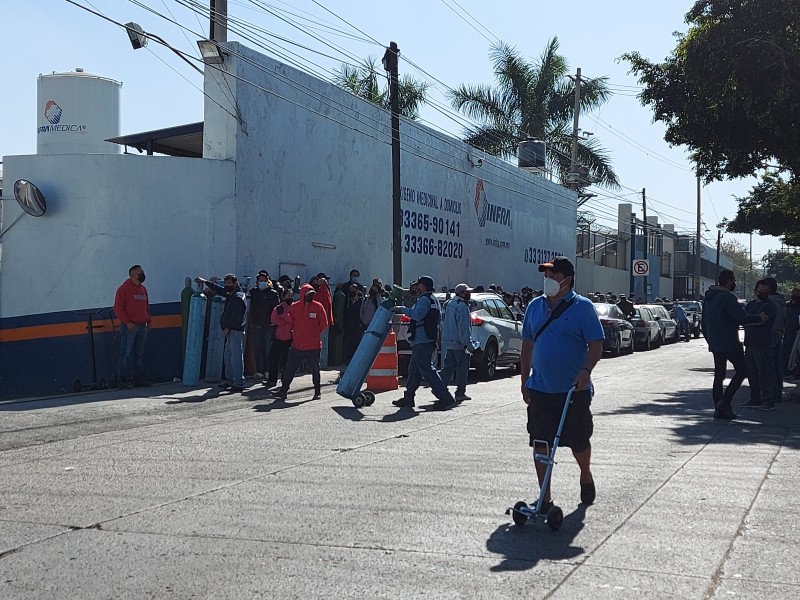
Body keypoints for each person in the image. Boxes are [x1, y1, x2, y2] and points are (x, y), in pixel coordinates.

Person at [521, 257, 604, 511]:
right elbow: (527, 344)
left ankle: (586, 474)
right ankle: (544, 497)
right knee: (541, 442)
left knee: (578, 441)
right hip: (541, 388)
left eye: (552, 275)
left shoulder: (583, 307)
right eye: (545, 275)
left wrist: (586, 371)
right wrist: (525, 380)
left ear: (567, 279)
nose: (547, 280)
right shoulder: (535, 306)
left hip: (572, 390)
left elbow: (596, 344)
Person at [702, 270, 768, 419]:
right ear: (729, 281)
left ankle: (719, 407)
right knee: (743, 370)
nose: (734, 283)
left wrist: (710, 339)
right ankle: (724, 402)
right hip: (729, 342)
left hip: (715, 343)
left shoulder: (709, 298)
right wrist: (759, 318)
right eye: (733, 280)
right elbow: (741, 317)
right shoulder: (727, 297)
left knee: (719, 375)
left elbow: (703, 323)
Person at [391, 276, 457, 410]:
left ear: (423, 286)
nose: (417, 287)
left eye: (419, 285)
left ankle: (445, 397)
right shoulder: (433, 300)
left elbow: (418, 315)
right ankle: (408, 398)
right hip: (427, 338)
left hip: (422, 339)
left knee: (427, 369)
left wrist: (403, 309)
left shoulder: (423, 300)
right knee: (414, 370)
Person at [274, 283, 329, 401]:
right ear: (303, 295)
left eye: (312, 294)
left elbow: (324, 323)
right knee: (290, 368)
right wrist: (293, 333)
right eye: (309, 294)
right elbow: (291, 321)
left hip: (313, 345)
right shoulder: (295, 307)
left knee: (315, 369)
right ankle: (283, 391)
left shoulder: (318, 306)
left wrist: (315, 334)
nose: (311, 297)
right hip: (297, 345)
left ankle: (317, 391)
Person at [196, 274, 248, 393]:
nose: (227, 286)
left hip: (235, 331)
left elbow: (236, 316)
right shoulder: (232, 294)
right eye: (226, 284)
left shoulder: (238, 297)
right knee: (228, 356)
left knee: (235, 357)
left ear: (235, 283)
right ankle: (230, 380)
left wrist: (227, 327)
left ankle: (239, 383)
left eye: (229, 283)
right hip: (231, 331)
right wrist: (205, 281)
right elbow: (219, 289)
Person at [741, 280, 778, 411]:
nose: (763, 293)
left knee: (764, 372)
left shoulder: (770, 306)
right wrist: (754, 319)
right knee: (752, 372)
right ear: (755, 290)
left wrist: (751, 320)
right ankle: (755, 398)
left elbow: (762, 321)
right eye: (761, 290)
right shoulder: (750, 305)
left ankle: (768, 400)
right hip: (749, 343)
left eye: (766, 291)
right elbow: (743, 321)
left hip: (763, 344)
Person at [114, 264, 152, 389]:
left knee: (139, 354)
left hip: (142, 326)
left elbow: (146, 306)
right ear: (132, 275)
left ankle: (139, 378)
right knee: (126, 352)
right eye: (139, 272)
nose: (142, 274)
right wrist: (127, 322)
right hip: (130, 327)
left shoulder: (143, 289)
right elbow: (118, 308)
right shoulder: (123, 289)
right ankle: (121, 379)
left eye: (142, 271)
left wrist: (149, 321)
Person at [438, 283, 475, 403]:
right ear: (461, 293)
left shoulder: (449, 303)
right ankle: (460, 393)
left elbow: (443, 323)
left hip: (448, 342)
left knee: (448, 368)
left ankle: (439, 387)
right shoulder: (462, 307)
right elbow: (464, 329)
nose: (469, 294)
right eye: (467, 292)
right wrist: (469, 345)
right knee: (462, 368)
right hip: (459, 344)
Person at [249, 270, 280, 382]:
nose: (262, 282)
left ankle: (268, 371)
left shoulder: (273, 293)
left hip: (268, 326)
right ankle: (259, 371)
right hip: (256, 325)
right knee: (258, 349)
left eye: (264, 280)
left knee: (268, 350)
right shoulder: (253, 292)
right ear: (257, 281)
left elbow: (277, 309)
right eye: (260, 280)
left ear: (268, 281)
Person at [267, 287, 294, 387]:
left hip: (290, 338)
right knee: (274, 360)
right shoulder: (278, 308)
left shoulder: (295, 308)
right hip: (278, 337)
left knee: (288, 361)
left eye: (291, 296)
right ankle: (272, 380)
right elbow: (273, 320)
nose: (290, 298)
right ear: (283, 297)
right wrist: (285, 320)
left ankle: (285, 380)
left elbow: (294, 321)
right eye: (288, 296)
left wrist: (285, 317)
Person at [343, 283, 365, 363]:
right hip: (349, 325)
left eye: (353, 290)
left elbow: (363, 312)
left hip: (358, 325)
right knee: (349, 343)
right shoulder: (348, 301)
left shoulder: (361, 301)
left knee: (357, 342)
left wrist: (361, 322)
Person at [782, 289, 800, 378]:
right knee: (786, 352)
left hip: (797, 334)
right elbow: (784, 318)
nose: (795, 296)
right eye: (794, 294)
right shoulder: (787, 305)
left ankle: (796, 372)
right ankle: (786, 370)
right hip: (788, 332)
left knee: (797, 354)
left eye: (797, 294)